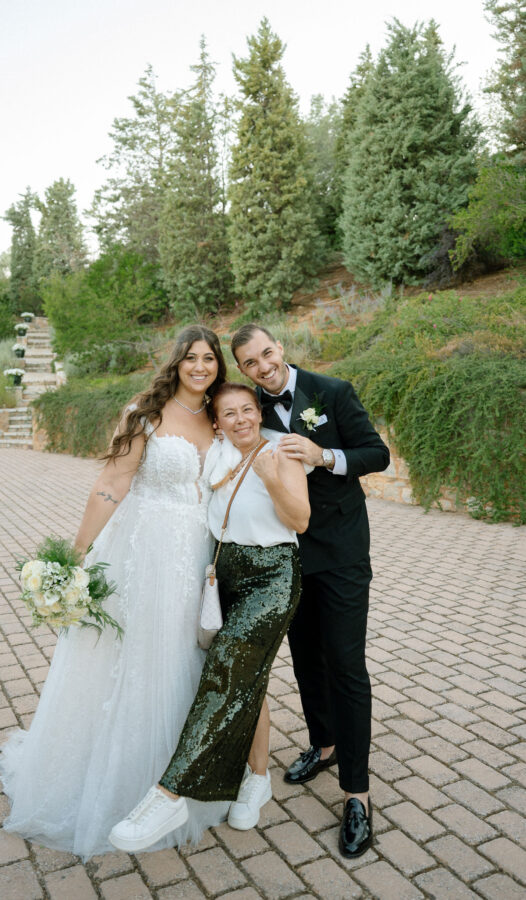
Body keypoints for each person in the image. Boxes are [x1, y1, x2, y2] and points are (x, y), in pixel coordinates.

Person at [0, 325, 231, 859]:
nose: (200, 367)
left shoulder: (220, 416)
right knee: (130, 657)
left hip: (197, 555)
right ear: (176, 362)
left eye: (209, 358)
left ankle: (181, 777)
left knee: (184, 656)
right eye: (191, 358)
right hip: (143, 552)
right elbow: (111, 483)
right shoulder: (145, 414)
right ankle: (118, 783)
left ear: (218, 365)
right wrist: (76, 552)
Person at [108, 382, 311, 852]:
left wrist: (271, 476)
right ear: (216, 423)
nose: (241, 419)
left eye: (247, 410)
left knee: (226, 669)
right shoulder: (218, 451)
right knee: (245, 674)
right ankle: (256, 777)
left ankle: (170, 794)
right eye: (229, 413)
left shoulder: (281, 451)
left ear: (259, 412)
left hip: (272, 576)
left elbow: (300, 520)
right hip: (224, 573)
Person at [230, 323, 390, 859]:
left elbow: (376, 454)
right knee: (304, 659)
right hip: (287, 555)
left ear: (280, 348)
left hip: (341, 551)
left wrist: (325, 456)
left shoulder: (332, 392)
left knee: (345, 664)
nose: (263, 368)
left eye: (267, 354)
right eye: (251, 363)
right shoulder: (248, 408)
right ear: (243, 370)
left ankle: (356, 795)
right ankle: (323, 745)